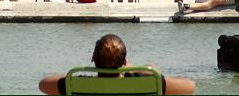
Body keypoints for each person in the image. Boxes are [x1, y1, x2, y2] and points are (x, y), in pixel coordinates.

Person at [39, 34, 196, 95]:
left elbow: (43, 85)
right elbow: (190, 86)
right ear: (125, 62)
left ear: (93, 60)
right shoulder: (148, 82)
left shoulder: (77, 82)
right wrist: (146, 70)